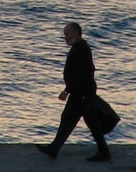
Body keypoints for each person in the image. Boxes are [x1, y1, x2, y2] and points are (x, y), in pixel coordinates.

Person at [36, 22, 111, 162]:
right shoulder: (79, 47)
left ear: (76, 34)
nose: (65, 37)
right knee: (68, 121)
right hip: (80, 94)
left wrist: (66, 91)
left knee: (90, 124)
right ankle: (54, 149)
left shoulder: (81, 49)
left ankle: (104, 153)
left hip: (82, 95)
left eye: (67, 34)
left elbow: (80, 74)